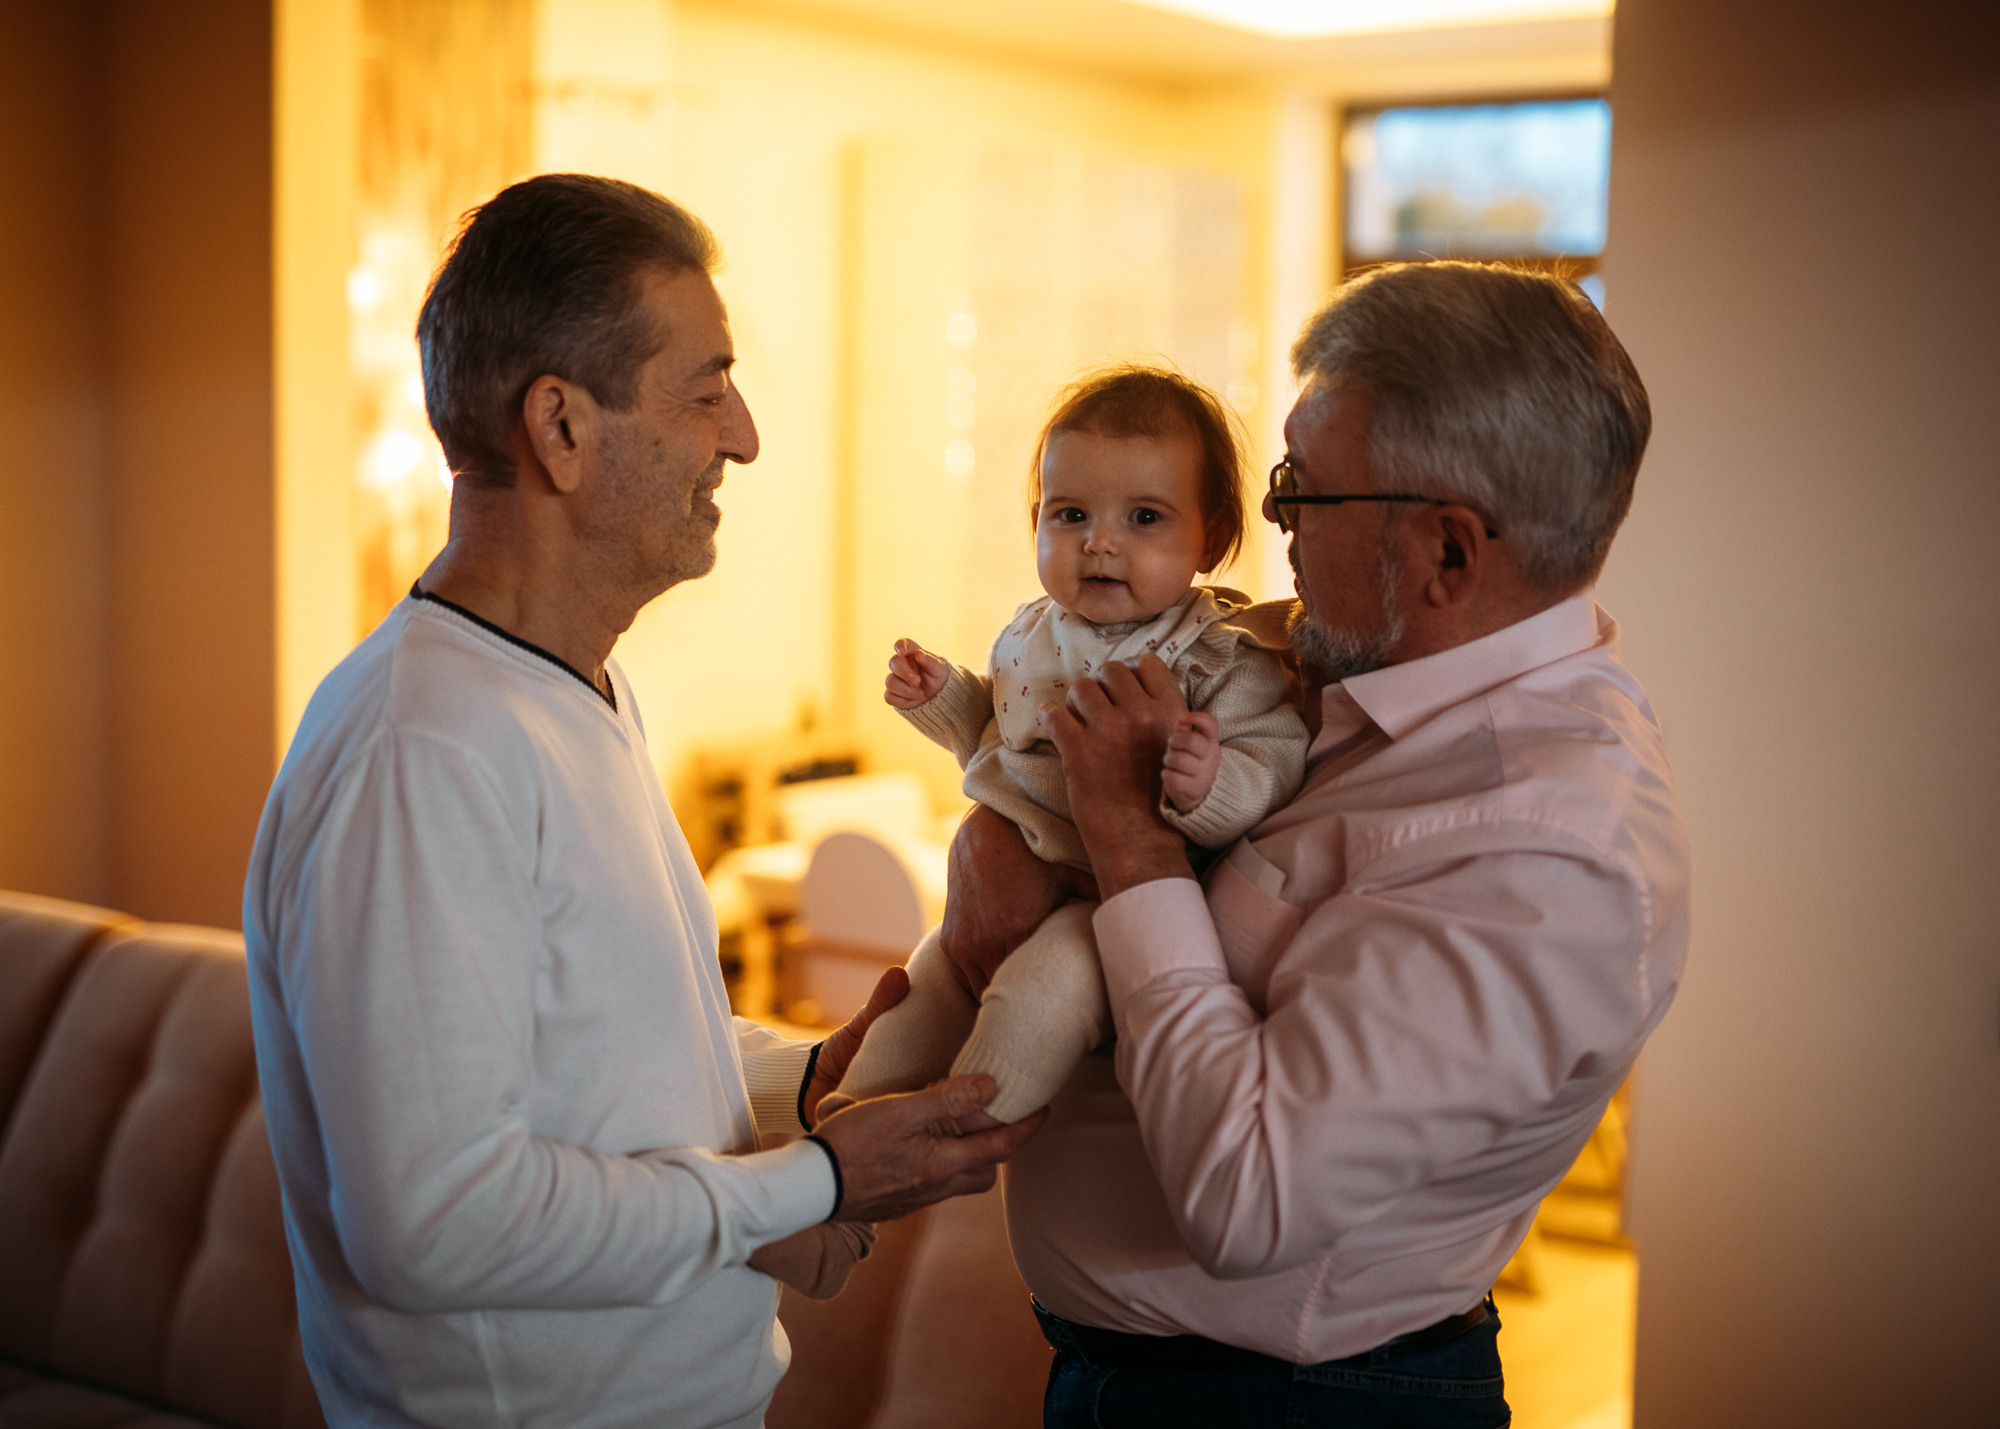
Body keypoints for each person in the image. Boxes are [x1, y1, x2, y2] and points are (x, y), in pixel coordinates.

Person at [242, 174, 1041, 1429]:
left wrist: (809, 1077)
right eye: (705, 385)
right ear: (559, 428)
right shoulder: (423, 750)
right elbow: (432, 1223)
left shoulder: (579, 690)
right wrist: (816, 1178)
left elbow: (588, 1058)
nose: (744, 436)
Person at [940, 261, 1691, 1428]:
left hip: (1293, 1404)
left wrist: (1128, 841)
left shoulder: (1547, 849)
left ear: (1447, 553)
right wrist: (994, 836)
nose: (1273, 526)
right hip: (1127, 1378)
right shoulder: (1332, 663)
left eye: (1307, 493)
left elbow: (1248, 1196)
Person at [836, 367, 1308, 1128]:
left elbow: (1274, 762)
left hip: (1097, 901)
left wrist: (1208, 779)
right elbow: (1003, 740)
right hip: (1004, 867)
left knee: (1042, 995)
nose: (1099, 542)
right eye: (1071, 514)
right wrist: (945, 698)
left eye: (1145, 517)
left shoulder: (1221, 654)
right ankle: (852, 1119)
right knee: (926, 986)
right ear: (1036, 523)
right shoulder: (1033, 631)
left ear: (1212, 535)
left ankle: (967, 1122)